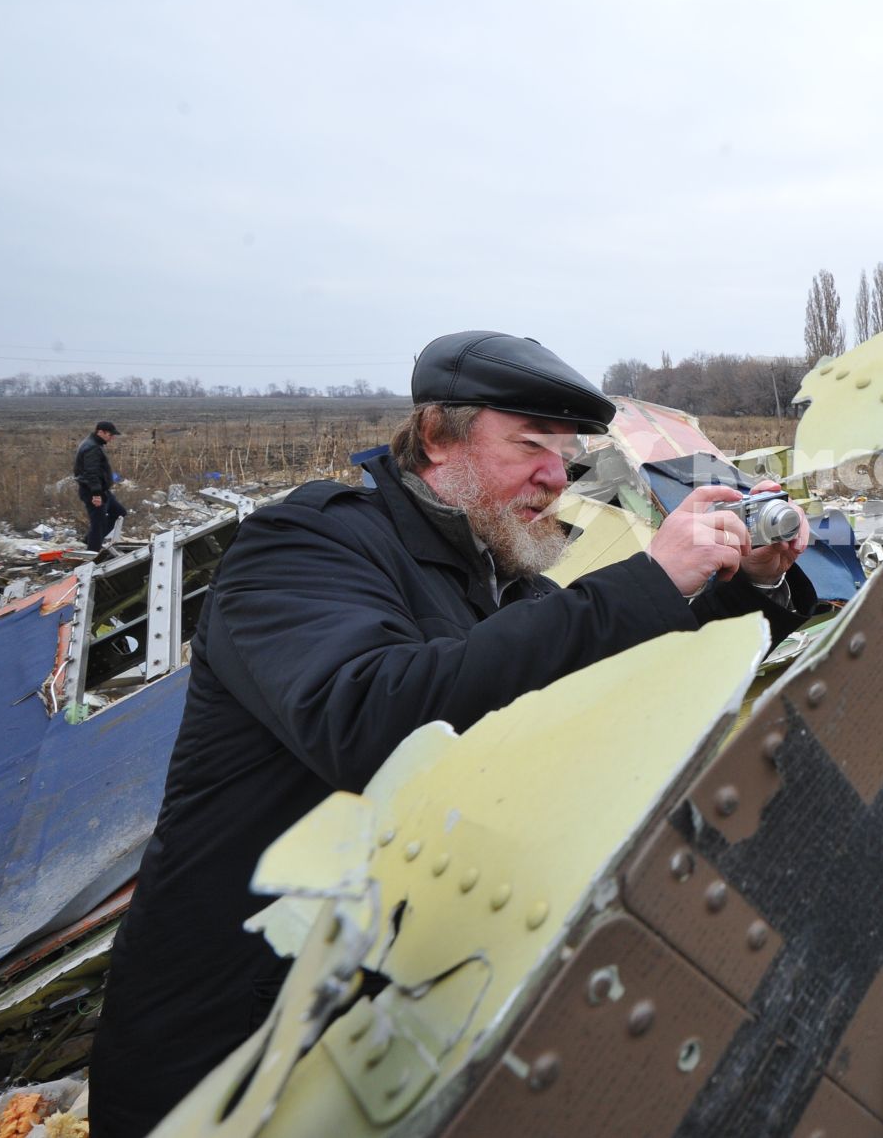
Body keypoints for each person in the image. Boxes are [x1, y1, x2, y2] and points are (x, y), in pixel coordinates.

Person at [91, 331, 815, 1136]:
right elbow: (371, 722)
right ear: (437, 436)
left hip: (385, 1036)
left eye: (567, 451)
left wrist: (749, 582)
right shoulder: (305, 545)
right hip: (239, 1051)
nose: (557, 473)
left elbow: (588, 684)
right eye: (530, 443)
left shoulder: (495, 578)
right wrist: (646, 578)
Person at [75, 420, 126, 554]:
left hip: (102, 490)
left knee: (119, 512)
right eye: (110, 434)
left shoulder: (95, 444)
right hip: (92, 491)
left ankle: (90, 540)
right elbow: (91, 472)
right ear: (101, 432)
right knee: (98, 522)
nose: (112, 437)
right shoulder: (92, 447)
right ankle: (92, 554)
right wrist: (96, 494)